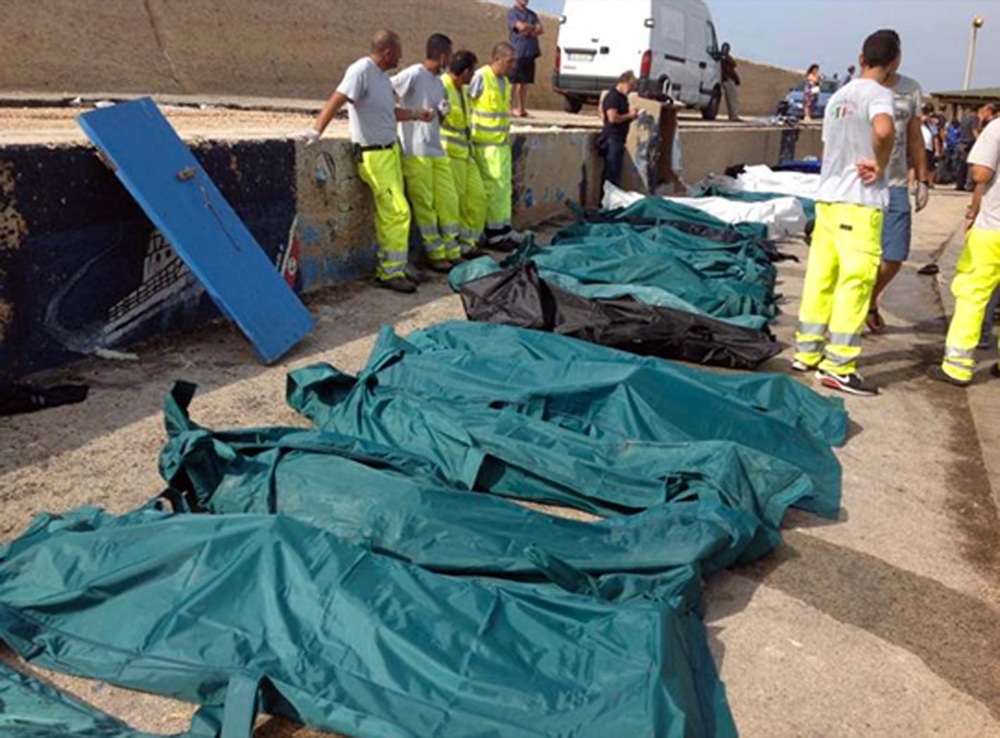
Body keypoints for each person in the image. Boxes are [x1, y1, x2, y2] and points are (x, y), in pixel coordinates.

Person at [792, 29, 899, 396]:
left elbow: (830, 149)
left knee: (821, 278)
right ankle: (838, 365)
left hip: (828, 201)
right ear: (894, 61)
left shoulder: (838, 96)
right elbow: (883, 131)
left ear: (861, 58)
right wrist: (880, 163)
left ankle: (806, 352)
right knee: (854, 283)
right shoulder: (880, 95)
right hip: (860, 203)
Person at [304, 30, 435, 294]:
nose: (400, 57)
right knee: (397, 211)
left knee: (393, 212)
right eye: (398, 52)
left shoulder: (383, 79)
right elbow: (338, 98)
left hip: (390, 152)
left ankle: (398, 265)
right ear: (387, 52)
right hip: (375, 155)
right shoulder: (362, 70)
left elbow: (389, 112)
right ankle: (389, 272)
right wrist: (316, 131)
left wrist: (416, 115)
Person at [932, 110, 1000, 385]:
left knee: (973, 294)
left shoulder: (997, 128)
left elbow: (981, 174)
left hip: (994, 228)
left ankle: (957, 366)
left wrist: (973, 212)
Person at [865, 59, 929, 334]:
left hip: (896, 183)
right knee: (859, 255)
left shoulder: (910, 89)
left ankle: (868, 299)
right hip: (862, 184)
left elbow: (915, 137)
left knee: (894, 254)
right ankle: (857, 306)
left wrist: (923, 178)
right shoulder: (857, 90)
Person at [392, 33, 462, 272]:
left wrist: (442, 113)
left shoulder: (439, 83)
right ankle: (436, 254)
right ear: (442, 55)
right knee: (425, 204)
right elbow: (387, 92)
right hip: (416, 150)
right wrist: (409, 114)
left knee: (448, 200)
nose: (450, 60)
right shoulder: (413, 74)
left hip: (436, 148)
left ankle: (452, 249)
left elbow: (439, 115)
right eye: (449, 55)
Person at [468, 42, 522, 250]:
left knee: (503, 188)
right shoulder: (481, 77)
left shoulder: (504, 82)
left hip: (500, 143)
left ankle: (503, 229)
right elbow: (466, 103)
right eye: (509, 61)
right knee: (492, 189)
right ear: (497, 59)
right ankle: (493, 233)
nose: (513, 66)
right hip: (485, 145)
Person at [441, 50, 488, 259]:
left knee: (478, 197)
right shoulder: (442, 86)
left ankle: (469, 241)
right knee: (456, 202)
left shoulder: (464, 90)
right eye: (473, 70)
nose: (474, 75)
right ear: (466, 71)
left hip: (466, 153)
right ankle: (457, 245)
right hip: (450, 154)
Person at [599, 70, 639, 187]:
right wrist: (629, 115)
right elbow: (613, 118)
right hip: (612, 139)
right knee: (612, 173)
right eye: (631, 85)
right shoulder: (613, 97)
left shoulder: (622, 98)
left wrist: (631, 116)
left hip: (619, 139)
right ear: (623, 82)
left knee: (616, 173)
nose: (631, 89)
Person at [507, 0, 544, 118]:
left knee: (524, 82)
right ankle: (509, 108)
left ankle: (521, 109)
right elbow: (520, 27)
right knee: (513, 81)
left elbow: (540, 29)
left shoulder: (532, 14)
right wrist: (531, 28)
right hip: (518, 51)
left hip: (530, 52)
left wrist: (528, 28)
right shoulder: (513, 13)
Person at [720, 43, 742, 122]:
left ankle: (733, 116)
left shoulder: (724, 58)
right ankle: (733, 116)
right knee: (732, 99)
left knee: (732, 99)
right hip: (727, 80)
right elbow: (733, 63)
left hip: (728, 79)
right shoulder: (724, 58)